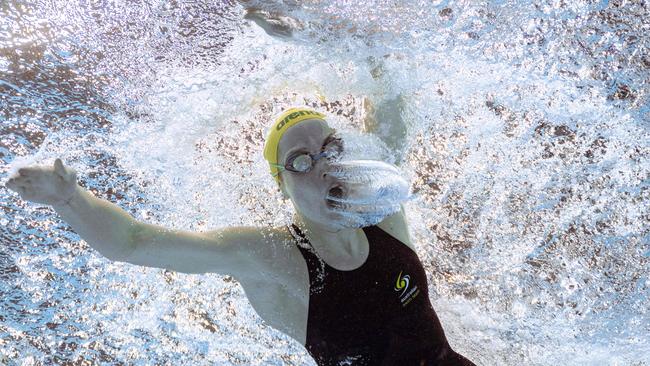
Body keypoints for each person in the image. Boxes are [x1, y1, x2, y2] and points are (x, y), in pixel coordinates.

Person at [5, 107, 475, 365]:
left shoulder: (380, 210)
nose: (322, 163)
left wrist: (331, 33)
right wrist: (69, 199)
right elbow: (130, 242)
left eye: (328, 148)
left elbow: (388, 104)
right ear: (282, 184)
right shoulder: (271, 255)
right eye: (300, 160)